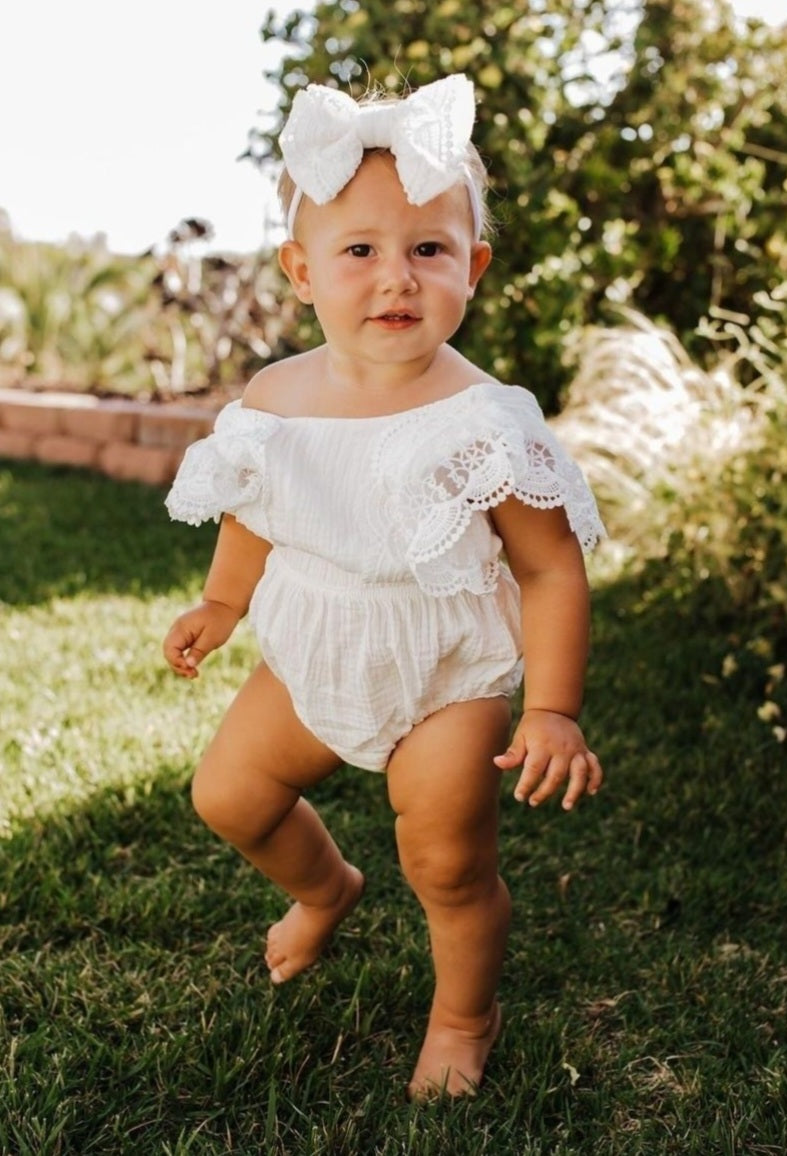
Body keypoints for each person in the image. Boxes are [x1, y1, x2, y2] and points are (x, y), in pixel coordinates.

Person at [163, 73, 606, 1101]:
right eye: (359, 250)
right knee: (228, 793)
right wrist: (223, 604)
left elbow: (548, 568)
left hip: (444, 666)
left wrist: (551, 707)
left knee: (446, 858)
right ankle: (324, 891)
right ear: (301, 270)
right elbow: (252, 509)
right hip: (314, 647)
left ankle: (462, 1013)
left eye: (427, 250)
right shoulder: (275, 398)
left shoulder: (484, 419)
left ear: (472, 268)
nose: (394, 278)